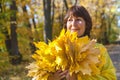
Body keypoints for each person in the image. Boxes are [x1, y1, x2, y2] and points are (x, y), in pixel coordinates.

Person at [48, 5, 117, 80]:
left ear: (86, 24)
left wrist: (79, 78)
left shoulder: (98, 49)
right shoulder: (55, 48)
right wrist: (51, 78)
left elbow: (111, 78)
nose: (73, 24)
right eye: (70, 20)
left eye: (78, 20)